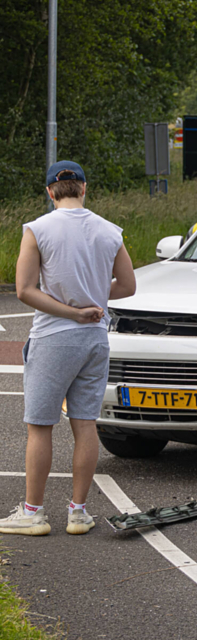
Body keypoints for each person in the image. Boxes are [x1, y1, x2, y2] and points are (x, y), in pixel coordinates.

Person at [0, 161, 136, 536]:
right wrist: (92, 298)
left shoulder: (37, 229)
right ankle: (78, 512)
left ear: (49, 192)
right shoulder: (110, 231)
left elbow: (26, 290)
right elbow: (127, 286)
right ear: (84, 188)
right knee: (85, 424)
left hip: (54, 338)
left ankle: (33, 512)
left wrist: (73, 311)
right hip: (95, 339)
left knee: (40, 426)